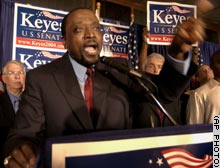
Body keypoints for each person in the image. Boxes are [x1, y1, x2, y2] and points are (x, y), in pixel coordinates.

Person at [3, 8, 205, 168]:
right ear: (64, 41)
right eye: (79, 29)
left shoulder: (118, 70)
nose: (91, 34)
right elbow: (22, 135)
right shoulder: (42, 78)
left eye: (96, 28)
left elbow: (164, 92)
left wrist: (177, 49)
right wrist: (21, 150)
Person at [0, 60, 26, 168]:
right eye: (12, 73)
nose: (17, 77)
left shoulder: (34, 102)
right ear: (4, 79)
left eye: (20, 73)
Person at [186, 50, 220, 124]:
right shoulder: (199, 94)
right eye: (219, 62)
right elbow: (194, 127)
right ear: (212, 66)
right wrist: (216, 134)